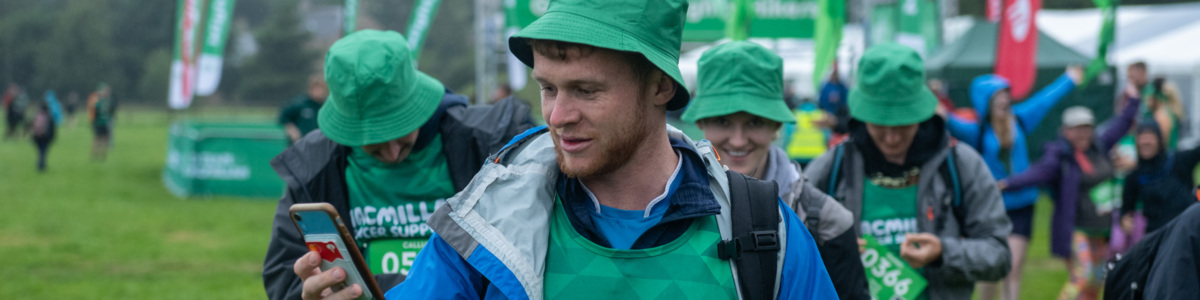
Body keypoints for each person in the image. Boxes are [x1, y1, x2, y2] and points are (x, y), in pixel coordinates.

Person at [369, 0, 839, 299]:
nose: (557, 116)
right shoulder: (487, 220)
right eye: (548, 88)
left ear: (660, 86)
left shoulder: (763, 228)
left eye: (587, 91)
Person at [263, 30, 534, 300]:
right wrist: (309, 294)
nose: (392, 153)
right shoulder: (313, 166)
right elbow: (284, 278)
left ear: (420, 103)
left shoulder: (491, 142)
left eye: (401, 129)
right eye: (373, 143)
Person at [805, 43, 1013, 300]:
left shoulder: (960, 164)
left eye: (903, 123)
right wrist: (835, 252)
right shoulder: (833, 166)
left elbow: (999, 255)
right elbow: (793, 252)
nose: (891, 138)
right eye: (879, 124)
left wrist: (943, 253)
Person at [681, 41, 868, 299]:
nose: (738, 140)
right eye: (723, 121)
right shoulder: (669, 207)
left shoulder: (827, 221)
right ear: (701, 122)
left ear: (776, 126)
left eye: (754, 122)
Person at [945, 67, 1083, 300]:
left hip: (1022, 205)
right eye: (998, 96)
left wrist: (1069, 79)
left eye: (1006, 94)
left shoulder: (1019, 119)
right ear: (986, 102)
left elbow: (1044, 100)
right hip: (989, 207)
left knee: (1012, 267)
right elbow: (946, 119)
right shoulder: (976, 131)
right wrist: (934, 100)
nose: (1004, 100)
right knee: (988, 270)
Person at [999, 91, 1141, 300]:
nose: (1083, 133)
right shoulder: (1060, 155)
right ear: (1066, 131)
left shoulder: (1099, 147)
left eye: (1087, 128)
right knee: (1082, 275)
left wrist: (1135, 97)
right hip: (1076, 228)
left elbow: (1121, 124)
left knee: (1096, 281)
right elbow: (1037, 173)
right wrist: (1008, 184)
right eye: (1077, 129)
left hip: (1101, 229)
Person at [1119, 124, 1200, 234]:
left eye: (1150, 137)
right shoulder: (1134, 176)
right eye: (1142, 138)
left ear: (1159, 140)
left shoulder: (1178, 160)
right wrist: (1124, 220)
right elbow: (1126, 208)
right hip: (1158, 234)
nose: (1146, 142)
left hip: (1187, 229)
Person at [279, 74, 329, 144]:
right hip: (300, 143)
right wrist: (292, 131)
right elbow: (284, 117)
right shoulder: (299, 103)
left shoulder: (326, 106)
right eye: (316, 89)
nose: (319, 92)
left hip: (319, 143)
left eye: (321, 89)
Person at [1139, 78, 1184, 150]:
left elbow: (1162, 143)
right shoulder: (1160, 113)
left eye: (1149, 98)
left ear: (1155, 98)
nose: (1146, 102)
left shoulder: (1161, 115)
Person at [88, 83, 115, 161]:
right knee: (99, 139)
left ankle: (100, 155)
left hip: (103, 123)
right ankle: (97, 155)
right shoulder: (102, 102)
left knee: (103, 139)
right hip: (101, 123)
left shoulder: (103, 102)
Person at [30, 101, 55, 172]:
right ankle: (42, 166)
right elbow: (52, 128)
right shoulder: (49, 116)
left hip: (37, 137)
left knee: (40, 151)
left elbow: (33, 126)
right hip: (45, 137)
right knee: (43, 152)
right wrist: (52, 137)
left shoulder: (38, 115)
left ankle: (40, 165)